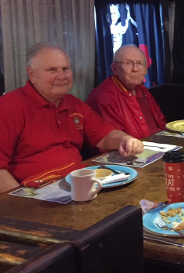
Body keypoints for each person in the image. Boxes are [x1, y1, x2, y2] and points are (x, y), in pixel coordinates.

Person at [0, 44, 145, 193]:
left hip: (78, 185)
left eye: (65, 69)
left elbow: (104, 135)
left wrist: (124, 139)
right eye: (52, 70)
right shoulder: (8, 106)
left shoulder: (73, 104)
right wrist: (20, 200)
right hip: (36, 193)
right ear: (32, 74)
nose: (62, 76)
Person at [87, 44, 166, 138]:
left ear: (146, 68)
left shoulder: (141, 89)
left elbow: (161, 122)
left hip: (159, 142)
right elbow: (115, 140)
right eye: (128, 63)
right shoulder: (105, 97)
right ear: (115, 68)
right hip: (137, 146)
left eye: (140, 63)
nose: (135, 69)